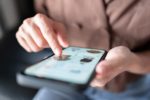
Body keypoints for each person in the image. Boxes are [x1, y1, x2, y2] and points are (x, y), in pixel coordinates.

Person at [16, 0, 150, 99]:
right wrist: (31, 32)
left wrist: (131, 61)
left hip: (135, 85)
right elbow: (42, 17)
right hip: (65, 80)